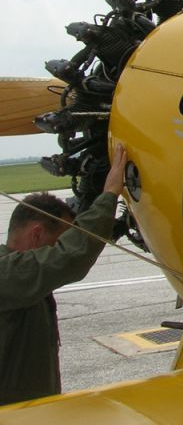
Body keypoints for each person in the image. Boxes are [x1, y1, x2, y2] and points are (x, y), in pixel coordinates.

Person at [0, 145, 126, 405]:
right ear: (36, 234)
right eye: (58, 239)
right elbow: (69, 257)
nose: (60, 245)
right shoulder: (8, 274)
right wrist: (110, 194)